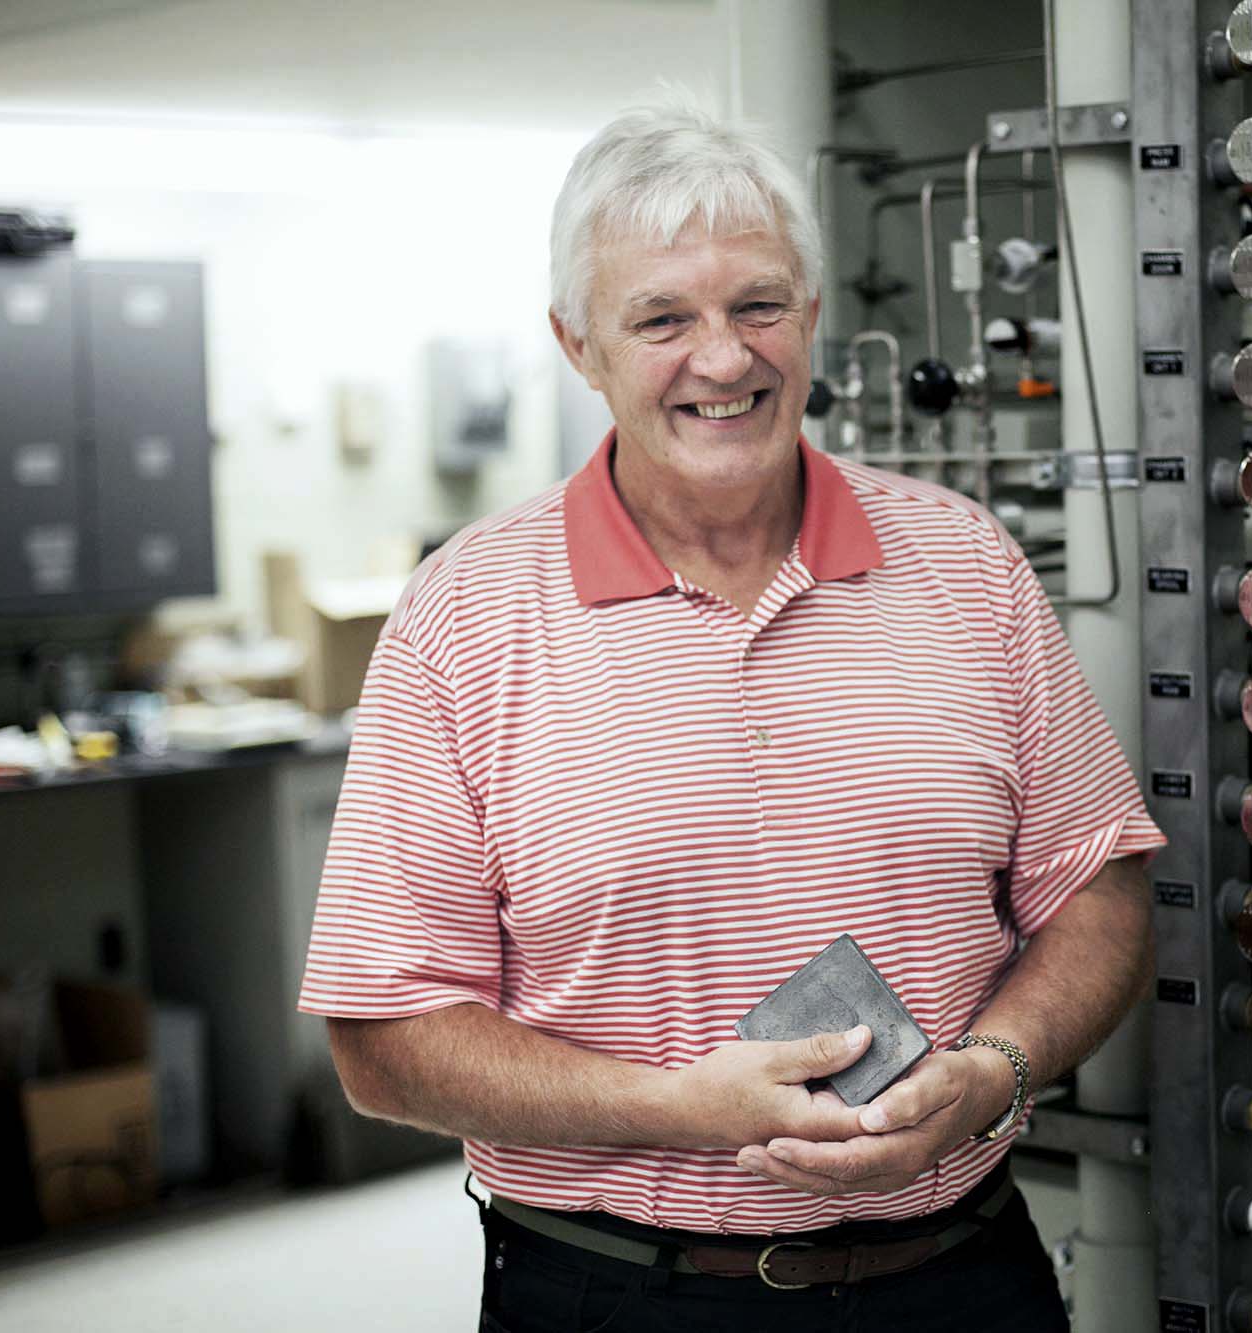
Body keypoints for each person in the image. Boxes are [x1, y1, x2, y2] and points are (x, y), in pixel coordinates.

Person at [298, 94, 1164, 1332]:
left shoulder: (966, 565)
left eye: (758, 304)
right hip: (617, 1290)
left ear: (811, 315)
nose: (722, 357)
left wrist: (992, 1076)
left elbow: (1098, 884)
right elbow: (382, 1037)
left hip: (959, 1277)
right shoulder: (464, 615)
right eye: (661, 318)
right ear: (576, 344)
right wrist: (677, 1107)